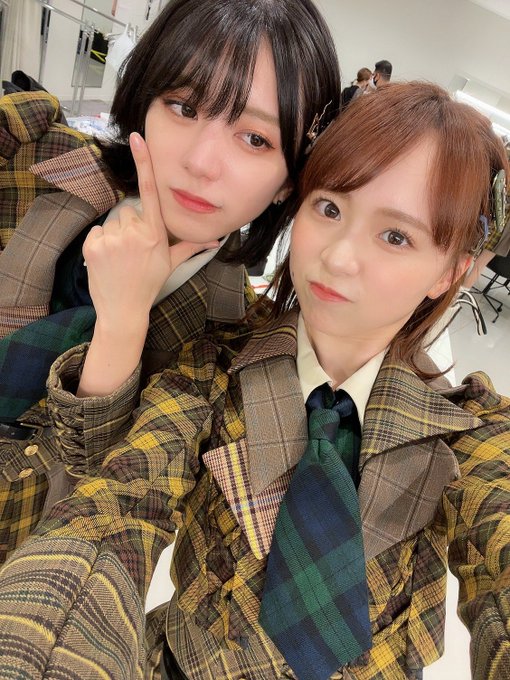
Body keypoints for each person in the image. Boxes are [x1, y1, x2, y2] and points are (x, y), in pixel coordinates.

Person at [0, 81, 509, 680]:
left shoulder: (471, 434)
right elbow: (114, 511)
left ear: (450, 270)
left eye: (396, 236)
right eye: (330, 209)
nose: (339, 257)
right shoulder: (211, 367)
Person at [0, 0, 340, 564]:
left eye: (256, 139)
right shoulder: (26, 156)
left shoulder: (229, 340)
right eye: (184, 107)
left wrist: (122, 322)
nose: (202, 161)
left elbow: (106, 501)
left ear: (289, 181)